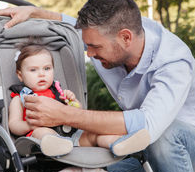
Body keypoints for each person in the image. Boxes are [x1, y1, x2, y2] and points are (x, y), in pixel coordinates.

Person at [0, 0, 195, 172]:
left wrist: (64, 115)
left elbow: (149, 125)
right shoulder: (112, 34)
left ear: (125, 38)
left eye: (94, 47)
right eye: (87, 45)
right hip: (148, 152)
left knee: (163, 133)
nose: (89, 54)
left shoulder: (173, 63)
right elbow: (71, 26)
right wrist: (34, 12)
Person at [9, 43, 150, 157]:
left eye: (47, 68)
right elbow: (13, 125)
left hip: (71, 136)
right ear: (20, 75)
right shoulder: (21, 99)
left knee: (94, 134)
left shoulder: (58, 92)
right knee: (43, 132)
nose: (41, 74)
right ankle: (57, 145)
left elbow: (79, 114)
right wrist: (31, 125)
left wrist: (73, 102)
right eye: (33, 70)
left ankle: (119, 142)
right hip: (41, 138)